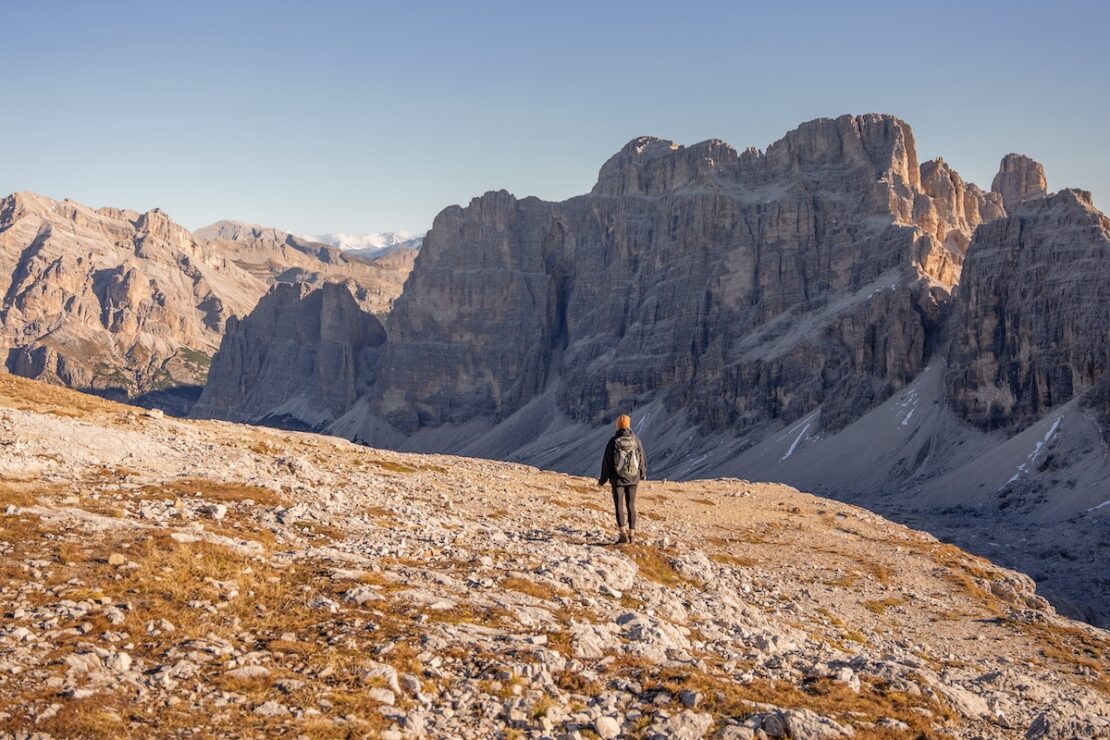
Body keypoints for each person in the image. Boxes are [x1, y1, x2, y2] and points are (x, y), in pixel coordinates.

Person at [597, 414, 647, 544]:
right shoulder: (636, 440)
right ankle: (632, 535)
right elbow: (642, 458)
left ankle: (622, 534)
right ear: (629, 425)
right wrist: (642, 474)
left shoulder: (613, 441)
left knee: (619, 505)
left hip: (617, 479)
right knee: (631, 506)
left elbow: (607, 463)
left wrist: (602, 480)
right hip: (633, 478)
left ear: (617, 426)